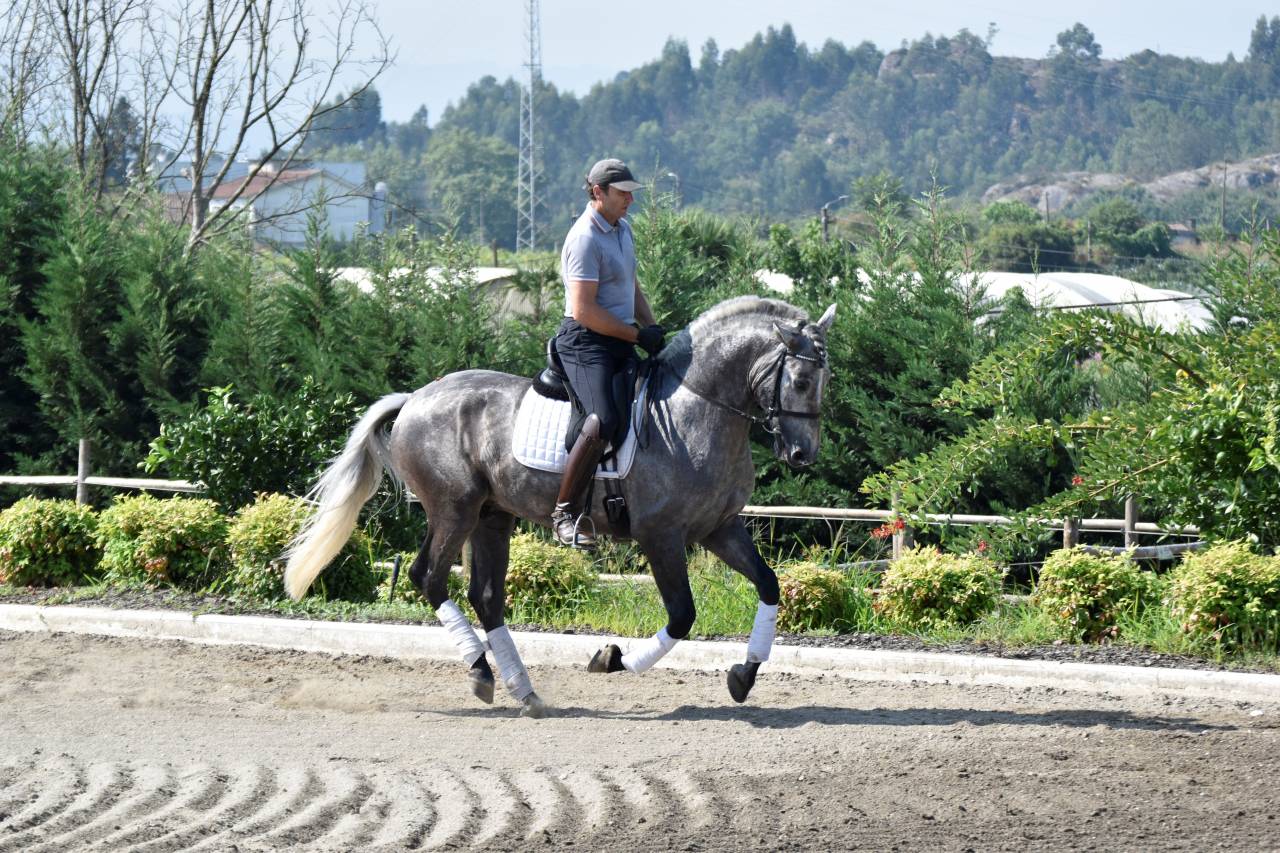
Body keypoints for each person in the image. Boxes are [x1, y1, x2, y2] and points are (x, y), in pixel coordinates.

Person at [551, 158, 665, 548]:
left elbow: (631, 288)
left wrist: (651, 328)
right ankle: (564, 513)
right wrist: (636, 336)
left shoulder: (622, 229)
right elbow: (584, 310)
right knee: (602, 420)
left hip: (619, 338)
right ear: (598, 192)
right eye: (623, 193)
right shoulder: (584, 237)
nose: (630, 200)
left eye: (631, 193)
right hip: (585, 342)